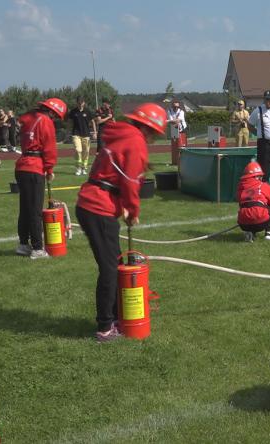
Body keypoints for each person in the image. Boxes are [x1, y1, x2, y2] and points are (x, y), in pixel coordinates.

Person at [76, 102, 166, 342]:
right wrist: (133, 209)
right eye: (156, 134)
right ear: (150, 129)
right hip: (99, 207)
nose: (155, 139)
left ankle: (116, 316)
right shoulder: (136, 141)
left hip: (93, 202)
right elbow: (130, 180)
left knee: (114, 263)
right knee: (110, 268)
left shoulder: (122, 134)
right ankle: (105, 327)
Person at [14, 97, 66, 259]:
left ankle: (23, 244)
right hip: (34, 167)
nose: (55, 119)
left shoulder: (29, 118)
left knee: (25, 208)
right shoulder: (45, 121)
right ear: (52, 112)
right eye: (56, 116)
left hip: (22, 165)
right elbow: (49, 146)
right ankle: (37, 248)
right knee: (35, 210)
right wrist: (49, 168)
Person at [237, 161, 270, 242]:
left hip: (243, 223)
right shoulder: (265, 186)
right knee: (269, 208)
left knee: (247, 207)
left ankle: (249, 232)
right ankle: (268, 233)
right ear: (257, 176)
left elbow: (241, 204)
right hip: (261, 222)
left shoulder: (241, 187)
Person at [68, 97, 95, 175]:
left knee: (86, 151)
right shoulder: (73, 112)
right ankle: (78, 168)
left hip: (86, 134)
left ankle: (84, 168)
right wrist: (68, 132)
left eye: (81, 103)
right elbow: (69, 122)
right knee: (78, 150)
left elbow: (92, 121)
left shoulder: (88, 111)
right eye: (79, 103)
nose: (80, 104)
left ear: (84, 103)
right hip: (76, 134)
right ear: (77, 103)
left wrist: (95, 132)